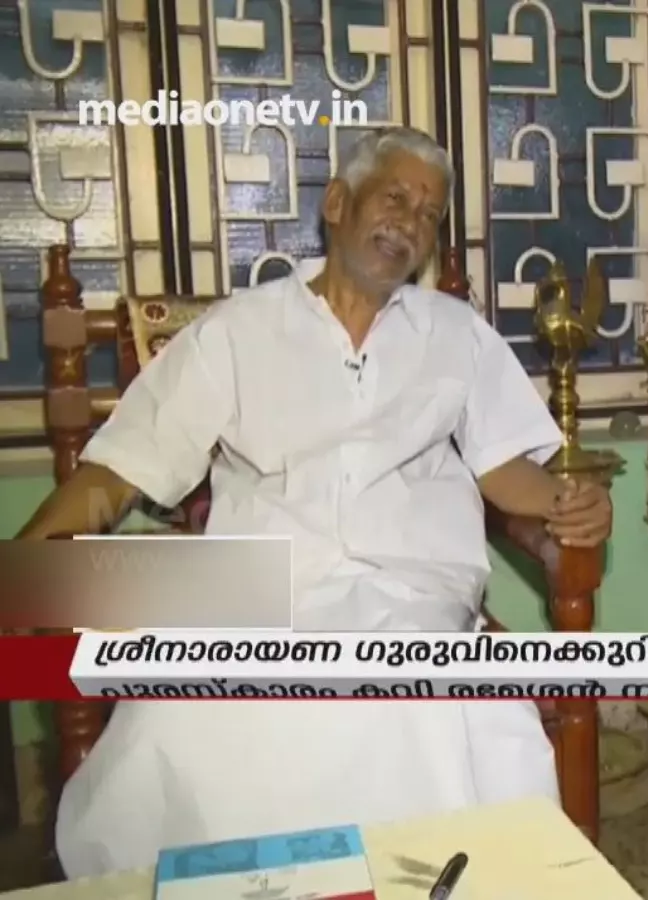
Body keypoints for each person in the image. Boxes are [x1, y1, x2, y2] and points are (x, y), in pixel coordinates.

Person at [17, 127, 613, 875]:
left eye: (429, 213)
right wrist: (26, 558)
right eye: (395, 197)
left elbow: (503, 468)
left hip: (409, 587)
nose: (410, 222)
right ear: (337, 203)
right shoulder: (239, 331)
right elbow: (122, 467)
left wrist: (570, 501)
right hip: (258, 590)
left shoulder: (455, 333)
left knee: (413, 698)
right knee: (191, 704)